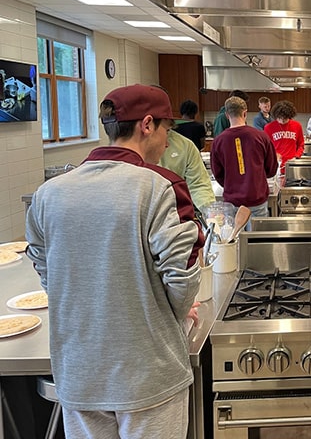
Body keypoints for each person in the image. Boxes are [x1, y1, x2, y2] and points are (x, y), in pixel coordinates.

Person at [25, 84, 203, 439]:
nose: (168, 142)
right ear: (147, 125)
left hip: (79, 372)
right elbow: (181, 274)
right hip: (147, 373)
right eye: (167, 130)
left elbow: (46, 270)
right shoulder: (156, 186)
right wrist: (178, 312)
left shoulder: (48, 194)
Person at [211, 96, 278, 228]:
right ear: (245, 113)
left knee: (234, 243)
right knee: (257, 244)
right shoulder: (261, 137)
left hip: (232, 203)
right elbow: (271, 169)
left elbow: (218, 173)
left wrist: (232, 184)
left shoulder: (218, 141)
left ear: (226, 115)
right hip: (257, 201)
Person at [159, 128, 216, 209]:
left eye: (168, 130)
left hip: (177, 214)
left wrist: (209, 211)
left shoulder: (185, 146)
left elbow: (198, 185)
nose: (167, 144)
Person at [265, 100, 305, 173]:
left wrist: (296, 156)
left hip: (292, 164)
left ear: (289, 116)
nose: (282, 121)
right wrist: (274, 155)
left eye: (285, 118)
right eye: (280, 118)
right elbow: (266, 147)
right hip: (275, 165)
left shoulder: (297, 126)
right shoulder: (268, 128)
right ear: (276, 116)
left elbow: (301, 145)